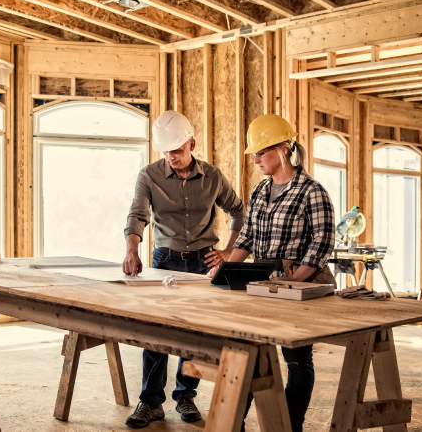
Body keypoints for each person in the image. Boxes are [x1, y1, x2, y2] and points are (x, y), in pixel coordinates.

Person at [123, 110, 245, 429]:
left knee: (193, 334)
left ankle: (185, 395)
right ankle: (150, 403)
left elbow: (239, 213)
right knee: (155, 333)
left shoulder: (214, 177)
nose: (172, 157)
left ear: (192, 144)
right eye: (166, 152)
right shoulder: (149, 176)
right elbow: (137, 216)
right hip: (164, 261)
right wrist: (132, 250)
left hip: (203, 264)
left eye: (177, 150)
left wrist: (229, 252)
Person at [216, 113, 335, 432]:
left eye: (260, 152)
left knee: (297, 360)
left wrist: (294, 281)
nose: (255, 160)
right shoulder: (259, 192)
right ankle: (234, 423)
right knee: (249, 354)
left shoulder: (312, 191)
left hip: (299, 290)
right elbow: (248, 236)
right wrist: (227, 267)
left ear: (283, 149)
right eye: (253, 153)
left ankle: (289, 426)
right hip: (263, 287)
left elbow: (322, 242)